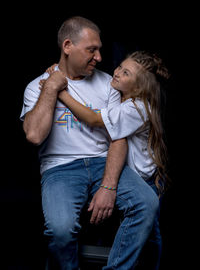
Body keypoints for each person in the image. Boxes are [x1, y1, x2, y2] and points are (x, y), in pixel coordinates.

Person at [20, 16, 159, 270]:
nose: (99, 57)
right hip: (59, 168)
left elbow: (118, 137)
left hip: (102, 162)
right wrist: (52, 87)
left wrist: (108, 185)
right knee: (60, 230)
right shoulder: (36, 87)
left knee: (147, 203)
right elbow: (35, 135)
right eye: (91, 50)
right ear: (67, 46)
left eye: (99, 50)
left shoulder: (109, 84)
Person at [43, 50, 170, 269]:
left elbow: (93, 119)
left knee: (149, 237)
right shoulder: (123, 99)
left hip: (144, 179)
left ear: (139, 87)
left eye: (126, 73)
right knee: (143, 234)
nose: (118, 73)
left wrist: (60, 92)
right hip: (133, 174)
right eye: (120, 66)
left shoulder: (136, 108)